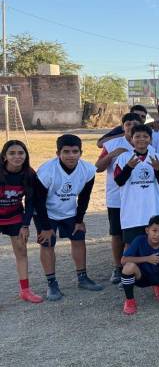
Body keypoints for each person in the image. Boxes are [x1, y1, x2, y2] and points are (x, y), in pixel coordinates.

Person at [34, 134, 101, 300]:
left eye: (75, 151)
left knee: (79, 239)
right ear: (58, 153)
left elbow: (84, 197)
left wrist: (79, 220)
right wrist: (45, 227)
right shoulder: (47, 171)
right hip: (46, 212)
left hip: (69, 211)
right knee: (47, 243)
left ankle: (82, 278)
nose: (71, 155)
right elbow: (38, 201)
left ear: (81, 153)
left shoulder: (87, 170)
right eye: (66, 152)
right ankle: (52, 284)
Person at [94, 112, 141, 284]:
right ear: (123, 127)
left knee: (136, 234)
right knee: (116, 234)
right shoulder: (112, 144)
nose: (131, 126)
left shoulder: (145, 141)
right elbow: (98, 167)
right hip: (117, 197)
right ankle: (117, 267)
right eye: (128, 124)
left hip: (138, 198)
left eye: (135, 123)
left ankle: (134, 265)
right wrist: (111, 154)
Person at [114, 124, 159, 255]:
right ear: (131, 139)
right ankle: (128, 267)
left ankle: (158, 267)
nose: (141, 139)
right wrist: (128, 167)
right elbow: (119, 181)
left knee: (157, 242)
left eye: (145, 136)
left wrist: (158, 169)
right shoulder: (123, 158)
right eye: (137, 136)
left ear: (150, 139)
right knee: (131, 244)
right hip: (132, 211)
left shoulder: (158, 158)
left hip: (153, 209)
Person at [0, 140, 44, 303]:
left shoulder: (29, 174)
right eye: (12, 153)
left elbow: (30, 202)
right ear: (4, 156)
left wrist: (25, 225)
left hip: (14, 216)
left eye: (21, 153)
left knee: (21, 251)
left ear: (26, 155)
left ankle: (25, 291)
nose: (17, 156)